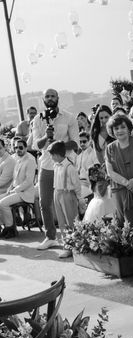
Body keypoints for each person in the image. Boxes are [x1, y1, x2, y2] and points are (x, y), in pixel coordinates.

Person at [31, 88, 80, 250]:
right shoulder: (38, 119)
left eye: (53, 96)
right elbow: (36, 145)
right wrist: (46, 136)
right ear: (43, 99)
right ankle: (50, 236)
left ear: (58, 98)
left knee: (66, 203)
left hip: (64, 165)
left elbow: (75, 143)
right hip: (46, 165)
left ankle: (74, 237)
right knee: (45, 203)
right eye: (47, 96)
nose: (50, 98)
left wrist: (56, 146)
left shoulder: (69, 117)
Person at [50, 140, 82, 258]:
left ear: (57, 155)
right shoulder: (56, 165)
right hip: (57, 193)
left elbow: (76, 184)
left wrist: (80, 198)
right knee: (62, 221)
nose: (51, 158)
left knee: (71, 220)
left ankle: (76, 245)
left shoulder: (69, 167)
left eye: (52, 155)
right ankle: (67, 245)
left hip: (67, 194)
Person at [0, 137, 37, 239]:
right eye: (16, 147)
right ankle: (6, 227)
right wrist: (10, 189)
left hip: (25, 193)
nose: (18, 150)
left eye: (20, 147)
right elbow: (14, 179)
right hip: (16, 191)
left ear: (25, 148)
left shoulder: (30, 160)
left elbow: (29, 181)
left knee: (3, 203)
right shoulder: (18, 159)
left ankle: (10, 228)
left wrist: (15, 190)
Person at [76, 131, 99, 199]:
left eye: (84, 141)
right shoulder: (79, 156)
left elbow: (97, 168)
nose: (82, 144)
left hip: (89, 185)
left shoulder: (94, 153)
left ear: (90, 141)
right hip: (79, 183)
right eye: (80, 142)